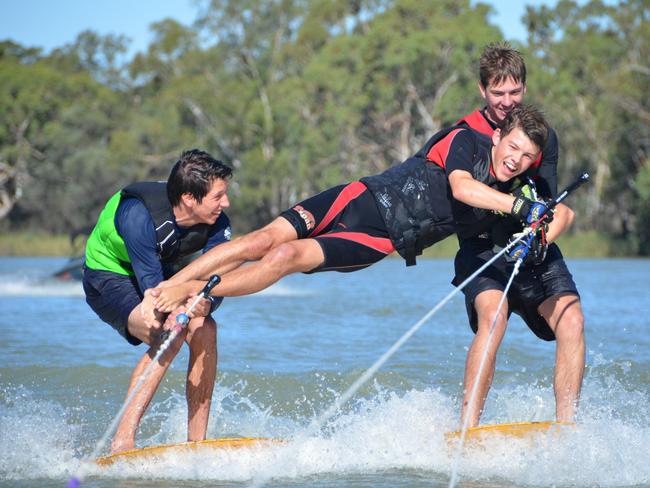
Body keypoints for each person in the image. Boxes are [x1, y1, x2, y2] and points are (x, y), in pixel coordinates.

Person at [148, 105, 551, 316]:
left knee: (285, 256)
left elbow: (550, 215)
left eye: (526, 156)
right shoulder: (466, 141)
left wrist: (538, 223)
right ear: (497, 136)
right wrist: (520, 206)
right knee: (262, 239)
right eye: (512, 146)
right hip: (357, 197)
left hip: (374, 238)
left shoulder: (512, 194)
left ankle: (191, 289)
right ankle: (171, 286)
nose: (515, 159)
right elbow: (463, 188)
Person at [452, 42, 585, 428]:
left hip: (531, 249)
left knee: (572, 321)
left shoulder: (543, 137)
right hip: (483, 250)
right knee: (493, 317)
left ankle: (567, 429)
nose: (507, 101)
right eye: (498, 93)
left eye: (515, 92)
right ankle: (467, 430)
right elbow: (459, 189)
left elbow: (554, 206)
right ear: (483, 91)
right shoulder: (467, 136)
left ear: (524, 90)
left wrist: (541, 237)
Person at [82, 149, 233, 453]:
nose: (226, 203)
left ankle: (197, 444)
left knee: (205, 327)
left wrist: (208, 303)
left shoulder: (217, 221)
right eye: (218, 196)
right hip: (108, 275)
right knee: (171, 333)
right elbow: (158, 298)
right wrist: (183, 306)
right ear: (190, 198)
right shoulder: (139, 216)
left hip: (161, 270)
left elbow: (220, 277)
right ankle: (122, 443)